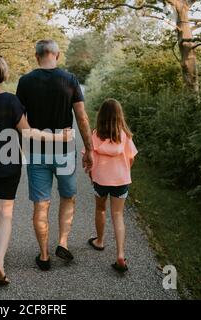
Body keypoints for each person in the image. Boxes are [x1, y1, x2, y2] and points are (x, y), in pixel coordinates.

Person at [0, 55, 71, 285]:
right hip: (8, 165)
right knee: (5, 215)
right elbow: (29, 133)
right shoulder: (11, 101)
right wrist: (57, 137)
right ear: (4, 75)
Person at [16, 40, 94, 271]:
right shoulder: (69, 80)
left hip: (36, 151)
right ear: (57, 54)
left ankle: (43, 255)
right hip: (64, 151)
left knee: (41, 205)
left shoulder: (25, 81)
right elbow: (82, 117)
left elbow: (20, 120)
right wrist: (89, 149)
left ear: (36, 55)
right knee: (67, 197)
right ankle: (63, 242)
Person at [86, 99, 138, 273]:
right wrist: (124, 170)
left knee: (100, 209)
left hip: (100, 180)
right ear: (119, 116)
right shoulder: (124, 135)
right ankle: (120, 255)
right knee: (118, 215)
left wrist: (90, 173)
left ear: (101, 116)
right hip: (120, 180)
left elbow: (88, 158)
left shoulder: (95, 135)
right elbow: (131, 158)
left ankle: (99, 241)